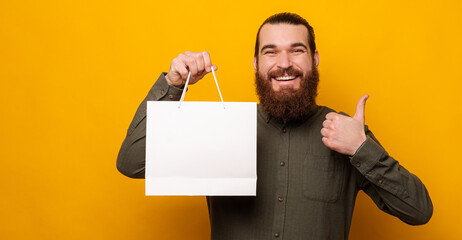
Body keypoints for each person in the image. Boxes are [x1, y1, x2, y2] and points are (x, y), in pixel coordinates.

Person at [117, 12, 433, 239]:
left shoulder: (346, 133)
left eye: (297, 50)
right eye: (271, 52)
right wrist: (172, 85)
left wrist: (362, 148)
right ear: (256, 63)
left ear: (315, 59)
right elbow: (131, 164)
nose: (284, 63)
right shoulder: (221, 128)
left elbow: (419, 211)